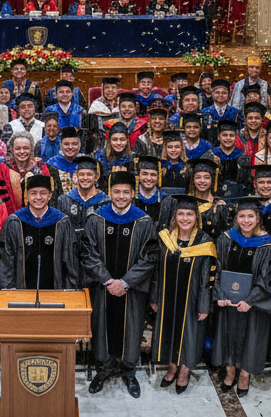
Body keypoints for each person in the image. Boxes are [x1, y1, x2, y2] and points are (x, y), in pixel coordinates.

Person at [81, 171, 159, 397]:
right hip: (102, 288)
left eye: (126, 192)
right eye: (117, 191)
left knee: (132, 329)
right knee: (101, 327)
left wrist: (125, 282)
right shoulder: (96, 218)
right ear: (109, 193)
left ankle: (129, 372)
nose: (121, 196)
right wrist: (107, 280)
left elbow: (150, 257)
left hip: (132, 290)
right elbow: (87, 253)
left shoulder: (143, 221)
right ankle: (102, 370)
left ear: (133, 194)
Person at [212, 199, 271, 397]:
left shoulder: (268, 245)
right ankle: (230, 371)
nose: (246, 220)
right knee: (228, 336)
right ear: (236, 218)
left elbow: (268, 279)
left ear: (258, 218)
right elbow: (216, 269)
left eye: (251, 216)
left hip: (253, 306)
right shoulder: (225, 239)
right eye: (242, 216)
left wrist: (250, 301)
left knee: (251, 339)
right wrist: (219, 295)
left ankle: (244, 375)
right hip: (228, 302)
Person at [151, 197, 217, 393]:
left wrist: (204, 305)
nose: (185, 218)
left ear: (196, 217)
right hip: (168, 297)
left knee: (190, 336)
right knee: (170, 332)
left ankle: (184, 373)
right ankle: (172, 368)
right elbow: (156, 270)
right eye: (181, 214)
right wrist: (154, 298)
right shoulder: (165, 238)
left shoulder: (204, 242)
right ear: (175, 216)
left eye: (189, 214)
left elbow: (208, 276)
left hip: (192, 300)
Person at [0, 173, 79, 289]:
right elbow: (6, 262)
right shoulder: (14, 222)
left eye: (43, 193)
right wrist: (8, 291)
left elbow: (70, 261)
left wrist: (69, 290)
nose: (38, 197)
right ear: (27, 195)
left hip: (55, 295)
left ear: (50, 195)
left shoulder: (62, 222)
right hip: (21, 294)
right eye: (33, 193)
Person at [57, 156, 108, 242]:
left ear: (96, 177)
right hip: (70, 251)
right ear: (76, 176)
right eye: (81, 174)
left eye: (89, 174)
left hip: (95, 252)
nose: (85, 178)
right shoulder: (64, 200)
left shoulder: (105, 202)